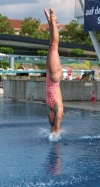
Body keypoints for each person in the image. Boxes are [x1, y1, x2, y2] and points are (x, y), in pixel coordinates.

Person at [44, 8, 63, 136]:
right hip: (54, 77)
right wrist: (55, 131)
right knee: (53, 47)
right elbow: (56, 128)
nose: (48, 115)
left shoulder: (50, 106)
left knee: (50, 46)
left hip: (48, 75)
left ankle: (51, 23)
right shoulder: (57, 107)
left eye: (48, 117)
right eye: (50, 117)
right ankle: (54, 21)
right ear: (54, 117)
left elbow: (51, 128)